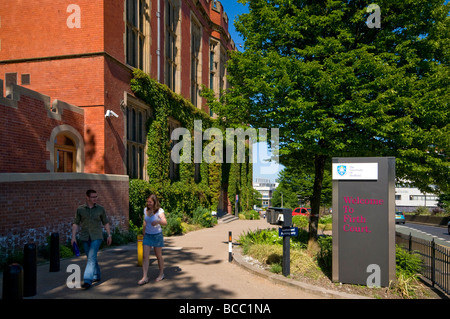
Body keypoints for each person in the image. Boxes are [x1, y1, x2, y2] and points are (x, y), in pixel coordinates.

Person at [71, 189, 112, 289]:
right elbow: (76, 223)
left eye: (96, 197)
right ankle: (96, 275)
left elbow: (105, 222)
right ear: (87, 197)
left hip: (97, 236)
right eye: (93, 197)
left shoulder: (100, 209)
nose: (95, 199)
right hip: (85, 237)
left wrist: (109, 235)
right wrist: (73, 237)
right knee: (91, 257)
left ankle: (87, 280)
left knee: (91, 258)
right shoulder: (80, 209)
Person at [138, 194, 167, 285]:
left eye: (150, 202)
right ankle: (145, 277)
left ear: (154, 202)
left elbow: (165, 222)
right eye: (147, 202)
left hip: (157, 235)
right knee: (145, 256)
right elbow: (145, 221)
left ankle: (161, 274)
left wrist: (158, 221)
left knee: (158, 255)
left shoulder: (159, 211)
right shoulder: (145, 210)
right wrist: (143, 231)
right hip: (147, 235)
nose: (148, 203)